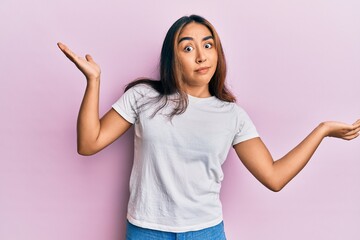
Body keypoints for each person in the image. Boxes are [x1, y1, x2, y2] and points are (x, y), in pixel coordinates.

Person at [57, 14, 360, 240]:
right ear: (172, 57)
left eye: (208, 45)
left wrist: (321, 131)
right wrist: (93, 81)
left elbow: (274, 177)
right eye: (187, 48)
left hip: (205, 231)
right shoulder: (144, 97)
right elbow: (88, 143)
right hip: (147, 230)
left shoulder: (232, 115)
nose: (201, 56)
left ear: (217, 52)